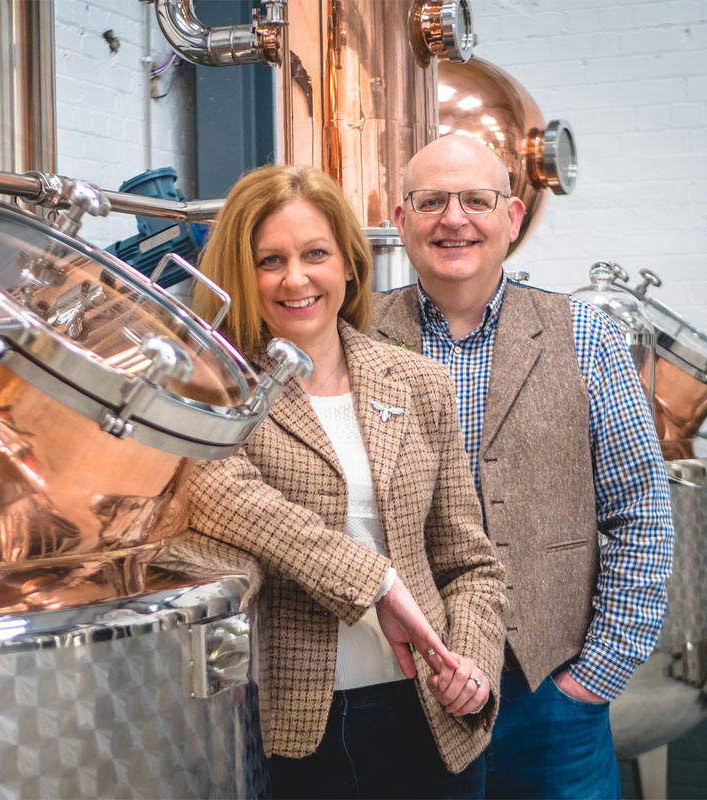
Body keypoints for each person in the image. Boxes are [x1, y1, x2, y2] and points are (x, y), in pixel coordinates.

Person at [188, 164, 507, 799]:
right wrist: (379, 583)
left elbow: (470, 563)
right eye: (269, 260)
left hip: (425, 719)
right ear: (238, 276)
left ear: (349, 265)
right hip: (291, 725)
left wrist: (470, 665)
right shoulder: (210, 392)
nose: (296, 278)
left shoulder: (417, 383)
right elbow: (234, 501)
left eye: (315, 254)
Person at [372, 134, 675, 799]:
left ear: (511, 219)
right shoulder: (357, 335)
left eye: (476, 200)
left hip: (549, 702)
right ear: (401, 222)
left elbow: (642, 511)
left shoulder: (584, 336)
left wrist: (594, 677)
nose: (455, 219)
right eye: (431, 202)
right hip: (399, 696)